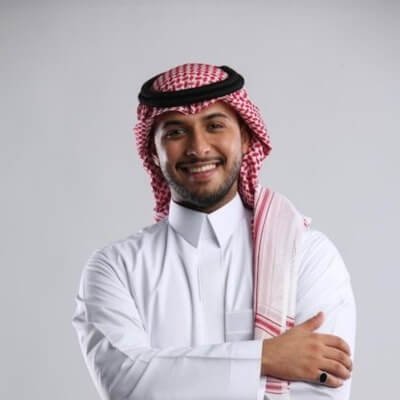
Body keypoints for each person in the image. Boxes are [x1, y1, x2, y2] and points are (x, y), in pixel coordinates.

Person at [72, 63, 356, 400]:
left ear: (246, 137)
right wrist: (265, 357)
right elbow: (127, 385)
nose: (198, 147)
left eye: (215, 126)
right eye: (176, 132)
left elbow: (321, 393)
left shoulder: (306, 255)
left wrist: (163, 373)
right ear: (153, 152)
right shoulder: (115, 268)